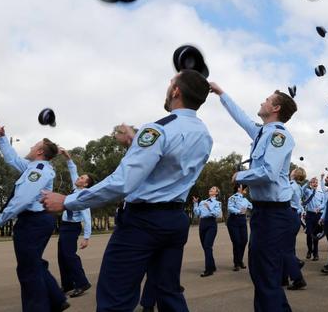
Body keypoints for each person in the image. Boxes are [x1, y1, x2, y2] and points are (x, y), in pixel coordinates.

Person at [41, 70, 213, 311]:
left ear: (176, 91)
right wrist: (136, 145)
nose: (168, 87)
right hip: (174, 220)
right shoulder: (205, 134)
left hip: (143, 223)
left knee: (115, 300)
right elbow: (171, 166)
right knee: (169, 292)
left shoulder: (158, 129)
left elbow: (123, 182)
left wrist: (69, 201)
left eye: (171, 83)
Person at [209, 81, 297, 312]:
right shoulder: (262, 132)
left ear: (275, 108)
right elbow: (242, 118)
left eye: (267, 100)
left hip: (274, 214)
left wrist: (241, 175)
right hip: (262, 213)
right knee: (262, 274)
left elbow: (268, 172)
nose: (262, 101)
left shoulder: (279, 136)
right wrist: (222, 93)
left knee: (265, 275)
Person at [0, 121, 68, 312]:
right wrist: (1, 138)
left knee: (28, 271)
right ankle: (57, 299)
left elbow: (22, 199)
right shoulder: (34, 166)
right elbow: (12, 159)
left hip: (33, 222)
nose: (31, 147)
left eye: (34, 145)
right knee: (34, 264)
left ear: (40, 152)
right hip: (37, 222)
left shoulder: (37, 171)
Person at [57, 148, 95, 297]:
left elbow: (87, 217)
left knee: (70, 255)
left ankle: (82, 283)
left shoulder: (83, 196)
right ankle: (67, 285)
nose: (78, 178)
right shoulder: (75, 190)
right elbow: (73, 171)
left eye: (82, 178)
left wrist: (87, 237)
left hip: (72, 227)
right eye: (79, 177)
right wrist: (68, 158)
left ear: (85, 184)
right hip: (65, 226)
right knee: (62, 256)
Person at [283, 167, 307, 290]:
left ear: (295, 174)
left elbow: (284, 198)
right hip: (294, 217)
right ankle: (284, 277)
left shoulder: (291, 186)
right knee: (288, 248)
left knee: (284, 249)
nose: (291, 171)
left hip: (289, 216)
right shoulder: (296, 186)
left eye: (293, 170)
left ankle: (297, 277)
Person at [193, 186, 222, 277]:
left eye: (213, 189)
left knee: (207, 246)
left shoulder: (218, 203)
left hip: (211, 224)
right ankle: (212, 266)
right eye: (210, 188)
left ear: (216, 193)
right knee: (205, 247)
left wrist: (209, 207)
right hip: (202, 224)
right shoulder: (202, 202)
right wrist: (196, 203)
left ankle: (209, 270)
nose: (210, 189)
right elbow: (197, 213)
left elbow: (218, 214)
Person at [227, 183, 252, 271]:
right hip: (233, 220)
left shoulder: (245, 200)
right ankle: (236, 263)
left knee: (244, 240)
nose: (246, 189)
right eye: (244, 188)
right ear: (239, 189)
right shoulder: (232, 198)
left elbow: (252, 206)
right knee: (236, 242)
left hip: (242, 221)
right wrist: (239, 211)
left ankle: (240, 260)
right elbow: (230, 208)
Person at [302, 176, 325, 261]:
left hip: (318, 215)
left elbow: (324, 204)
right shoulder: (307, 191)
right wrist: (308, 182)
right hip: (310, 215)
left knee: (315, 235)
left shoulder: (321, 193)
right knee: (309, 234)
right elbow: (303, 189)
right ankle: (309, 250)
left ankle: (316, 253)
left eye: (316, 182)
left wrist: (320, 209)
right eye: (313, 182)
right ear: (311, 184)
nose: (315, 183)